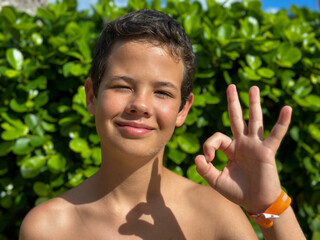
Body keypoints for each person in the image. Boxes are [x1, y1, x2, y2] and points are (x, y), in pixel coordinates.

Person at [19, 9, 305, 239]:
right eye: (121, 86)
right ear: (92, 96)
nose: (140, 105)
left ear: (183, 109)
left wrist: (270, 206)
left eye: (162, 92)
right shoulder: (47, 228)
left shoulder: (216, 214)